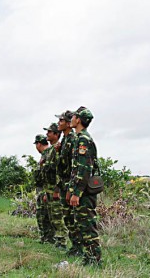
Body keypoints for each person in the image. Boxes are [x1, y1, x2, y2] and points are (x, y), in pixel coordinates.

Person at [69, 107, 102, 266]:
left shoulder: (83, 140)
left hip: (84, 191)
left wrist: (77, 192)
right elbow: (76, 169)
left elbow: (84, 169)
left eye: (74, 116)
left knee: (87, 224)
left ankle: (94, 259)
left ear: (79, 120)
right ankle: (89, 257)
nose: (72, 118)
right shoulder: (79, 137)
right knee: (81, 223)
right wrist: (71, 189)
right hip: (80, 190)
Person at [55, 110, 81, 256]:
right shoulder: (64, 140)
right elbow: (63, 164)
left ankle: (79, 247)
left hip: (69, 184)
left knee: (73, 217)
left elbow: (74, 165)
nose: (59, 123)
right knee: (67, 217)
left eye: (61, 121)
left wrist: (71, 188)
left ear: (68, 123)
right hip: (64, 183)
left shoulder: (72, 139)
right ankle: (75, 247)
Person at [42, 123, 67, 249]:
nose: (47, 134)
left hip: (55, 188)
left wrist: (57, 189)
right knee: (52, 216)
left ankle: (62, 242)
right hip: (49, 188)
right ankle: (58, 240)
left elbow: (58, 169)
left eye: (49, 132)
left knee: (58, 216)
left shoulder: (58, 148)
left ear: (56, 134)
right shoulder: (50, 150)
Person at [33, 134, 54, 244]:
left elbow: (48, 176)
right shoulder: (45, 155)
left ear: (39, 144)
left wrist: (46, 192)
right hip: (42, 191)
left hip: (46, 191)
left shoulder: (48, 155)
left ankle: (49, 238)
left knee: (46, 215)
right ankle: (45, 238)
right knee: (42, 215)